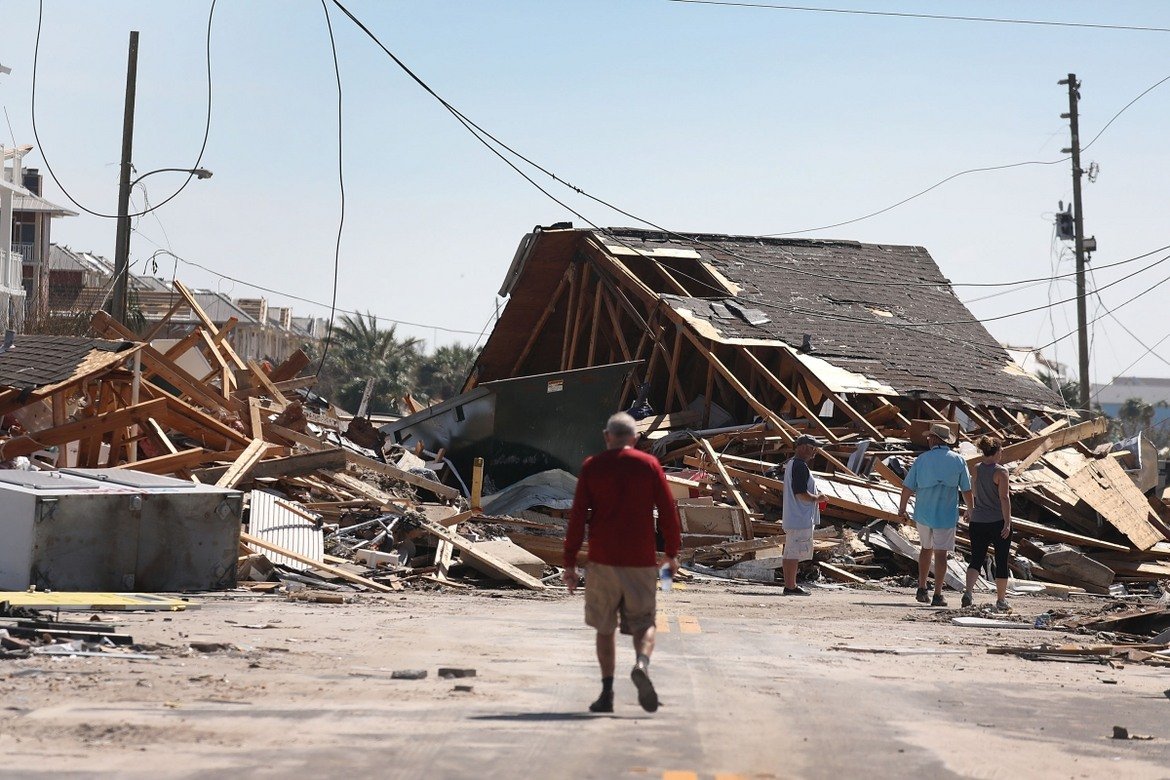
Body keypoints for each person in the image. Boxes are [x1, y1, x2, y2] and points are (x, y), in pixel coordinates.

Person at [564, 412, 681, 714]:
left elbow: (577, 518)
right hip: (640, 561)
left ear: (607, 436)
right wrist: (671, 553)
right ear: (635, 438)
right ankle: (641, 663)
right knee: (645, 624)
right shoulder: (649, 465)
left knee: (605, 629)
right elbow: (669, 511)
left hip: (602, 560)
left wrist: (569, 563)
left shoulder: (593, 467)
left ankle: (606, 694)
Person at [897, 423, 973, 607]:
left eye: (930, 437)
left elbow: (907, 487)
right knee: (941, 554)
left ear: (934, 439)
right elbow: (966, 489)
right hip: (946, 515)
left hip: (924, 512)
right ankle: (938, 594)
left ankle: (922, 588)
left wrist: (902, 509)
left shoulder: (922, 459)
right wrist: (971, 509)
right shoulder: (958, 460)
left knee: (925, 549)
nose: (928, 440)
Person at [962, 436, 1013, 611]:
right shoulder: (1001, 472)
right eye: (1001, 450)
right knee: (1001, 560)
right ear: (996, 451)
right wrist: (1007, 522)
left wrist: (970, 510)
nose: (1002, 453)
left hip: (978, 521)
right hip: (997, 520)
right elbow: (1004, 498)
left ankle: (968, 592)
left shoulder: (976, 468)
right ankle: (1000, 599)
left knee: (976, 558)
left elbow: (973, 493)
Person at [781, 434, 823, 596]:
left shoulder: (792, 464)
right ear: (804, 447)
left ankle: (790, 584)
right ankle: (790, 586)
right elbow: (800, 493)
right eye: (813, 448)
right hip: (799, 517)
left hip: (795, 516)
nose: (814, 452)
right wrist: (818, 498)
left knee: (791, 551)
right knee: (793, 552)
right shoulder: (800, 466)